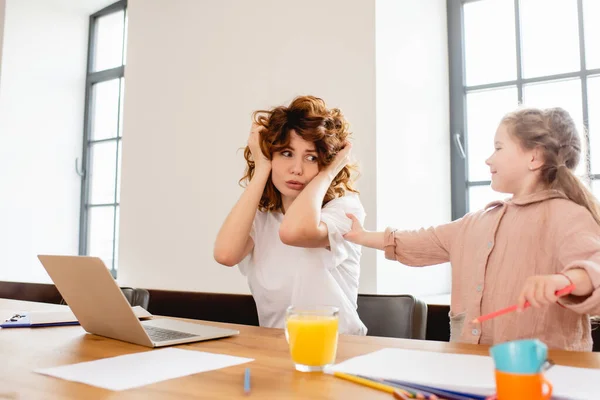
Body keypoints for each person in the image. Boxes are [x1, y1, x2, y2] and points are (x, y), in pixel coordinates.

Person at [344, 107, 600, 350]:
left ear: (534, 157)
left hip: (545, 379)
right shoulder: (477, 222)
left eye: (498, 148)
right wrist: (363, 236)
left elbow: (594, 267)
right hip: (472, 372)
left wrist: (566, 280)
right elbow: (420, 240)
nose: (489, 159)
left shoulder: (568, 216)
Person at [214, 95, 367, 335]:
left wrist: (327, 175)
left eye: (311, 157)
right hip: (275, 349)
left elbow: (294, 232)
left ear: (326, 162)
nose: (296, 168)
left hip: (338, 347)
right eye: (286, 153)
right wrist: (262, 167)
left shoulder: (344, 210)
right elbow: (225, 254)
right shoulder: (261, 218)